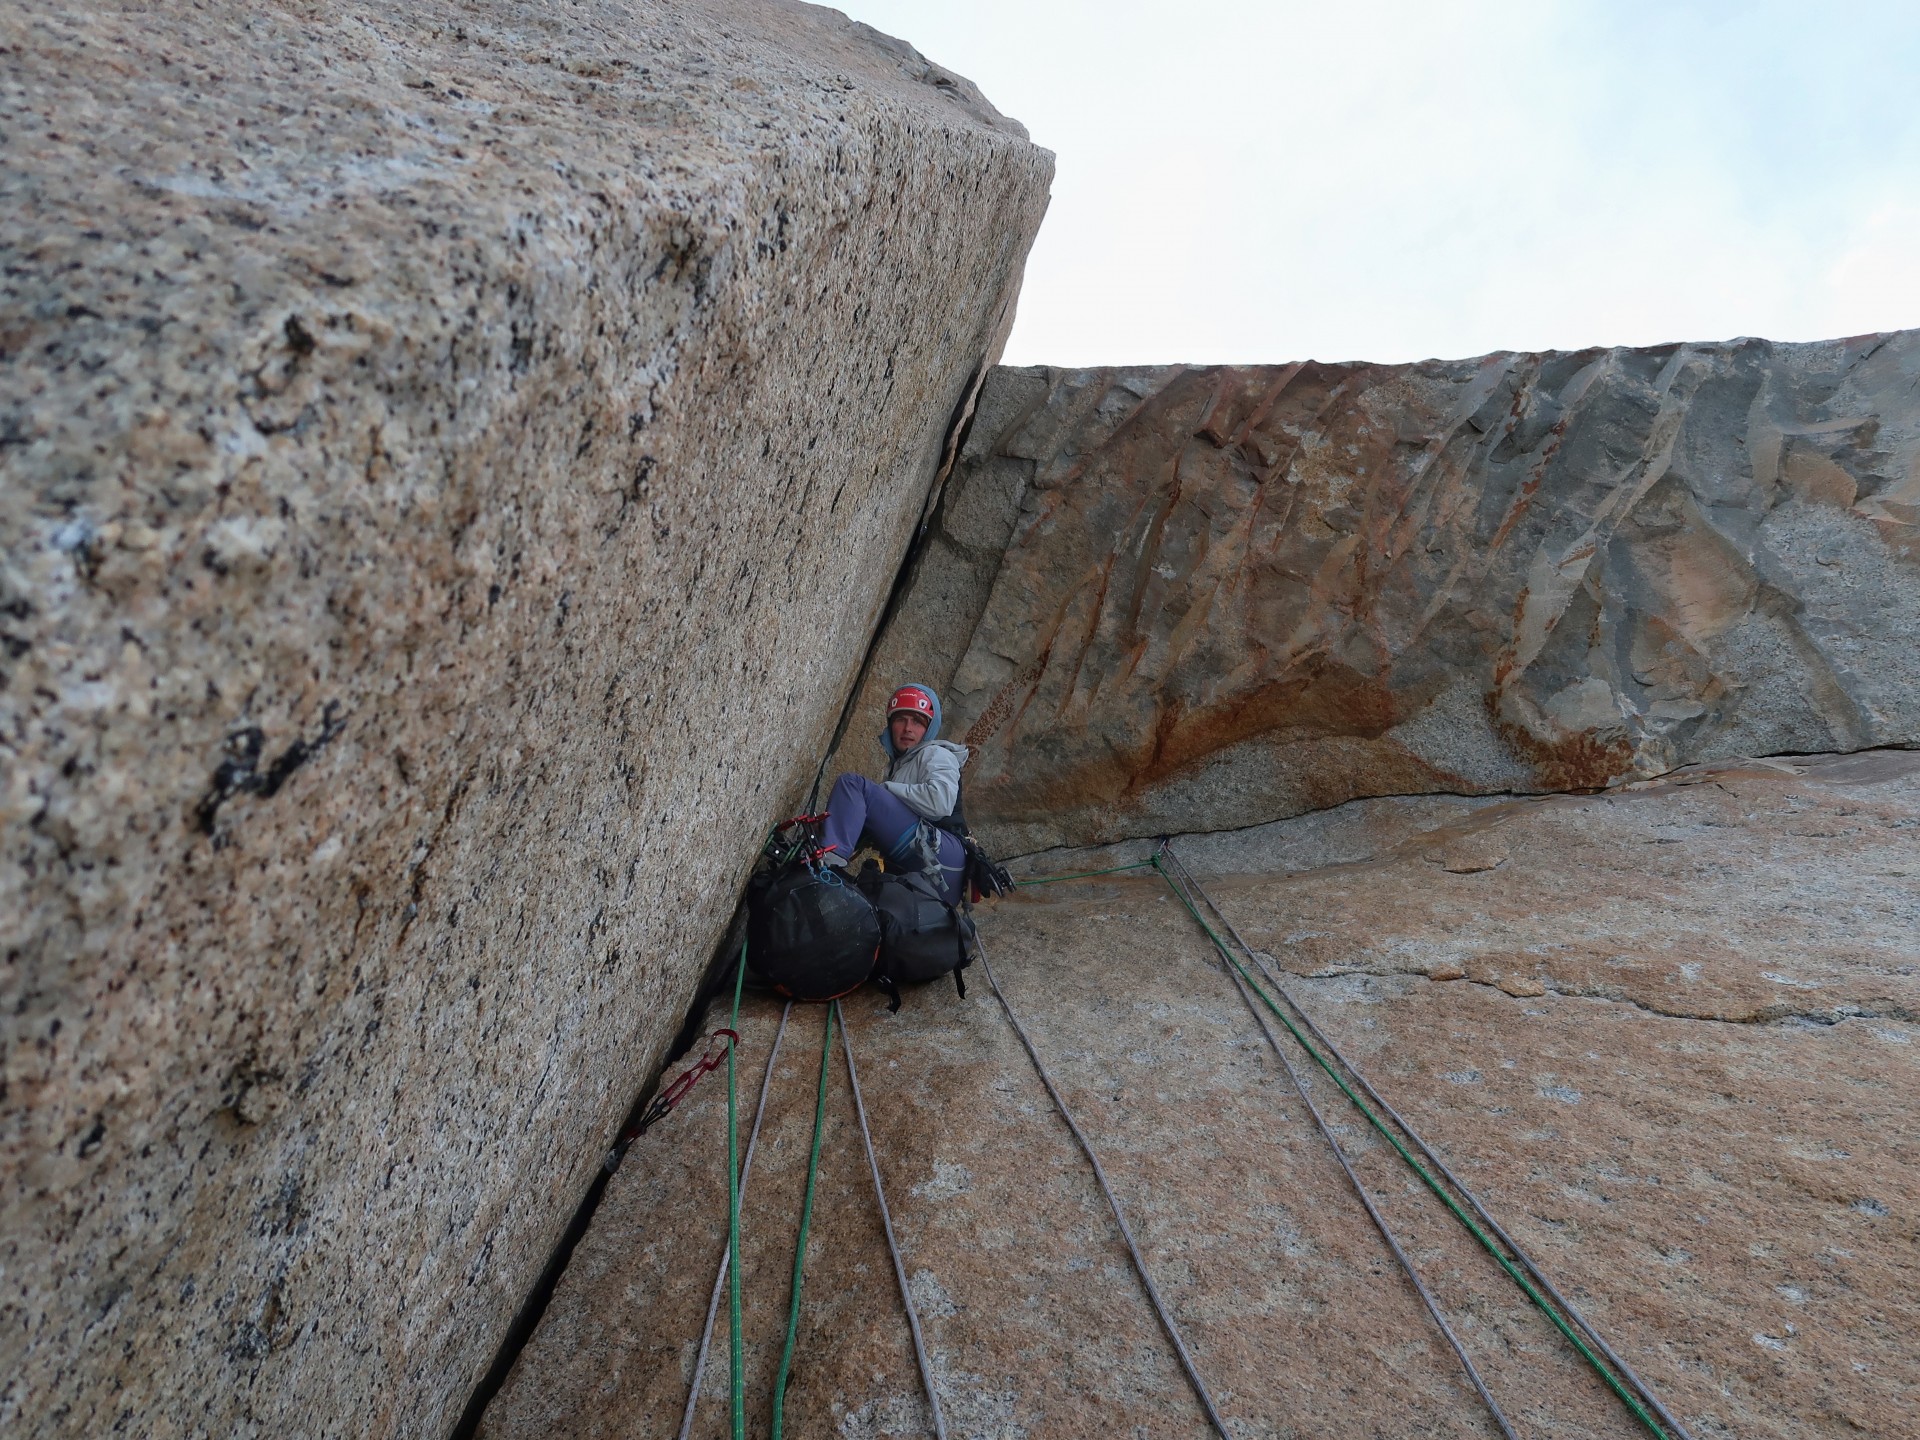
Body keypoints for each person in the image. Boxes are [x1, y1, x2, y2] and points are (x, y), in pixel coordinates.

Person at [819, 683, 969, 903]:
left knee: (852, 784)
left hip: (945, 857)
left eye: (917, 722)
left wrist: (886, 789)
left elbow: (941, 802)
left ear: (929, 729)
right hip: (930, 873)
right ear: (890, 725)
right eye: (901, 720)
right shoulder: (902, 766)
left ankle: (825, 873)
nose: (908, 728)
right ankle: (821, 861)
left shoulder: (936, 753)